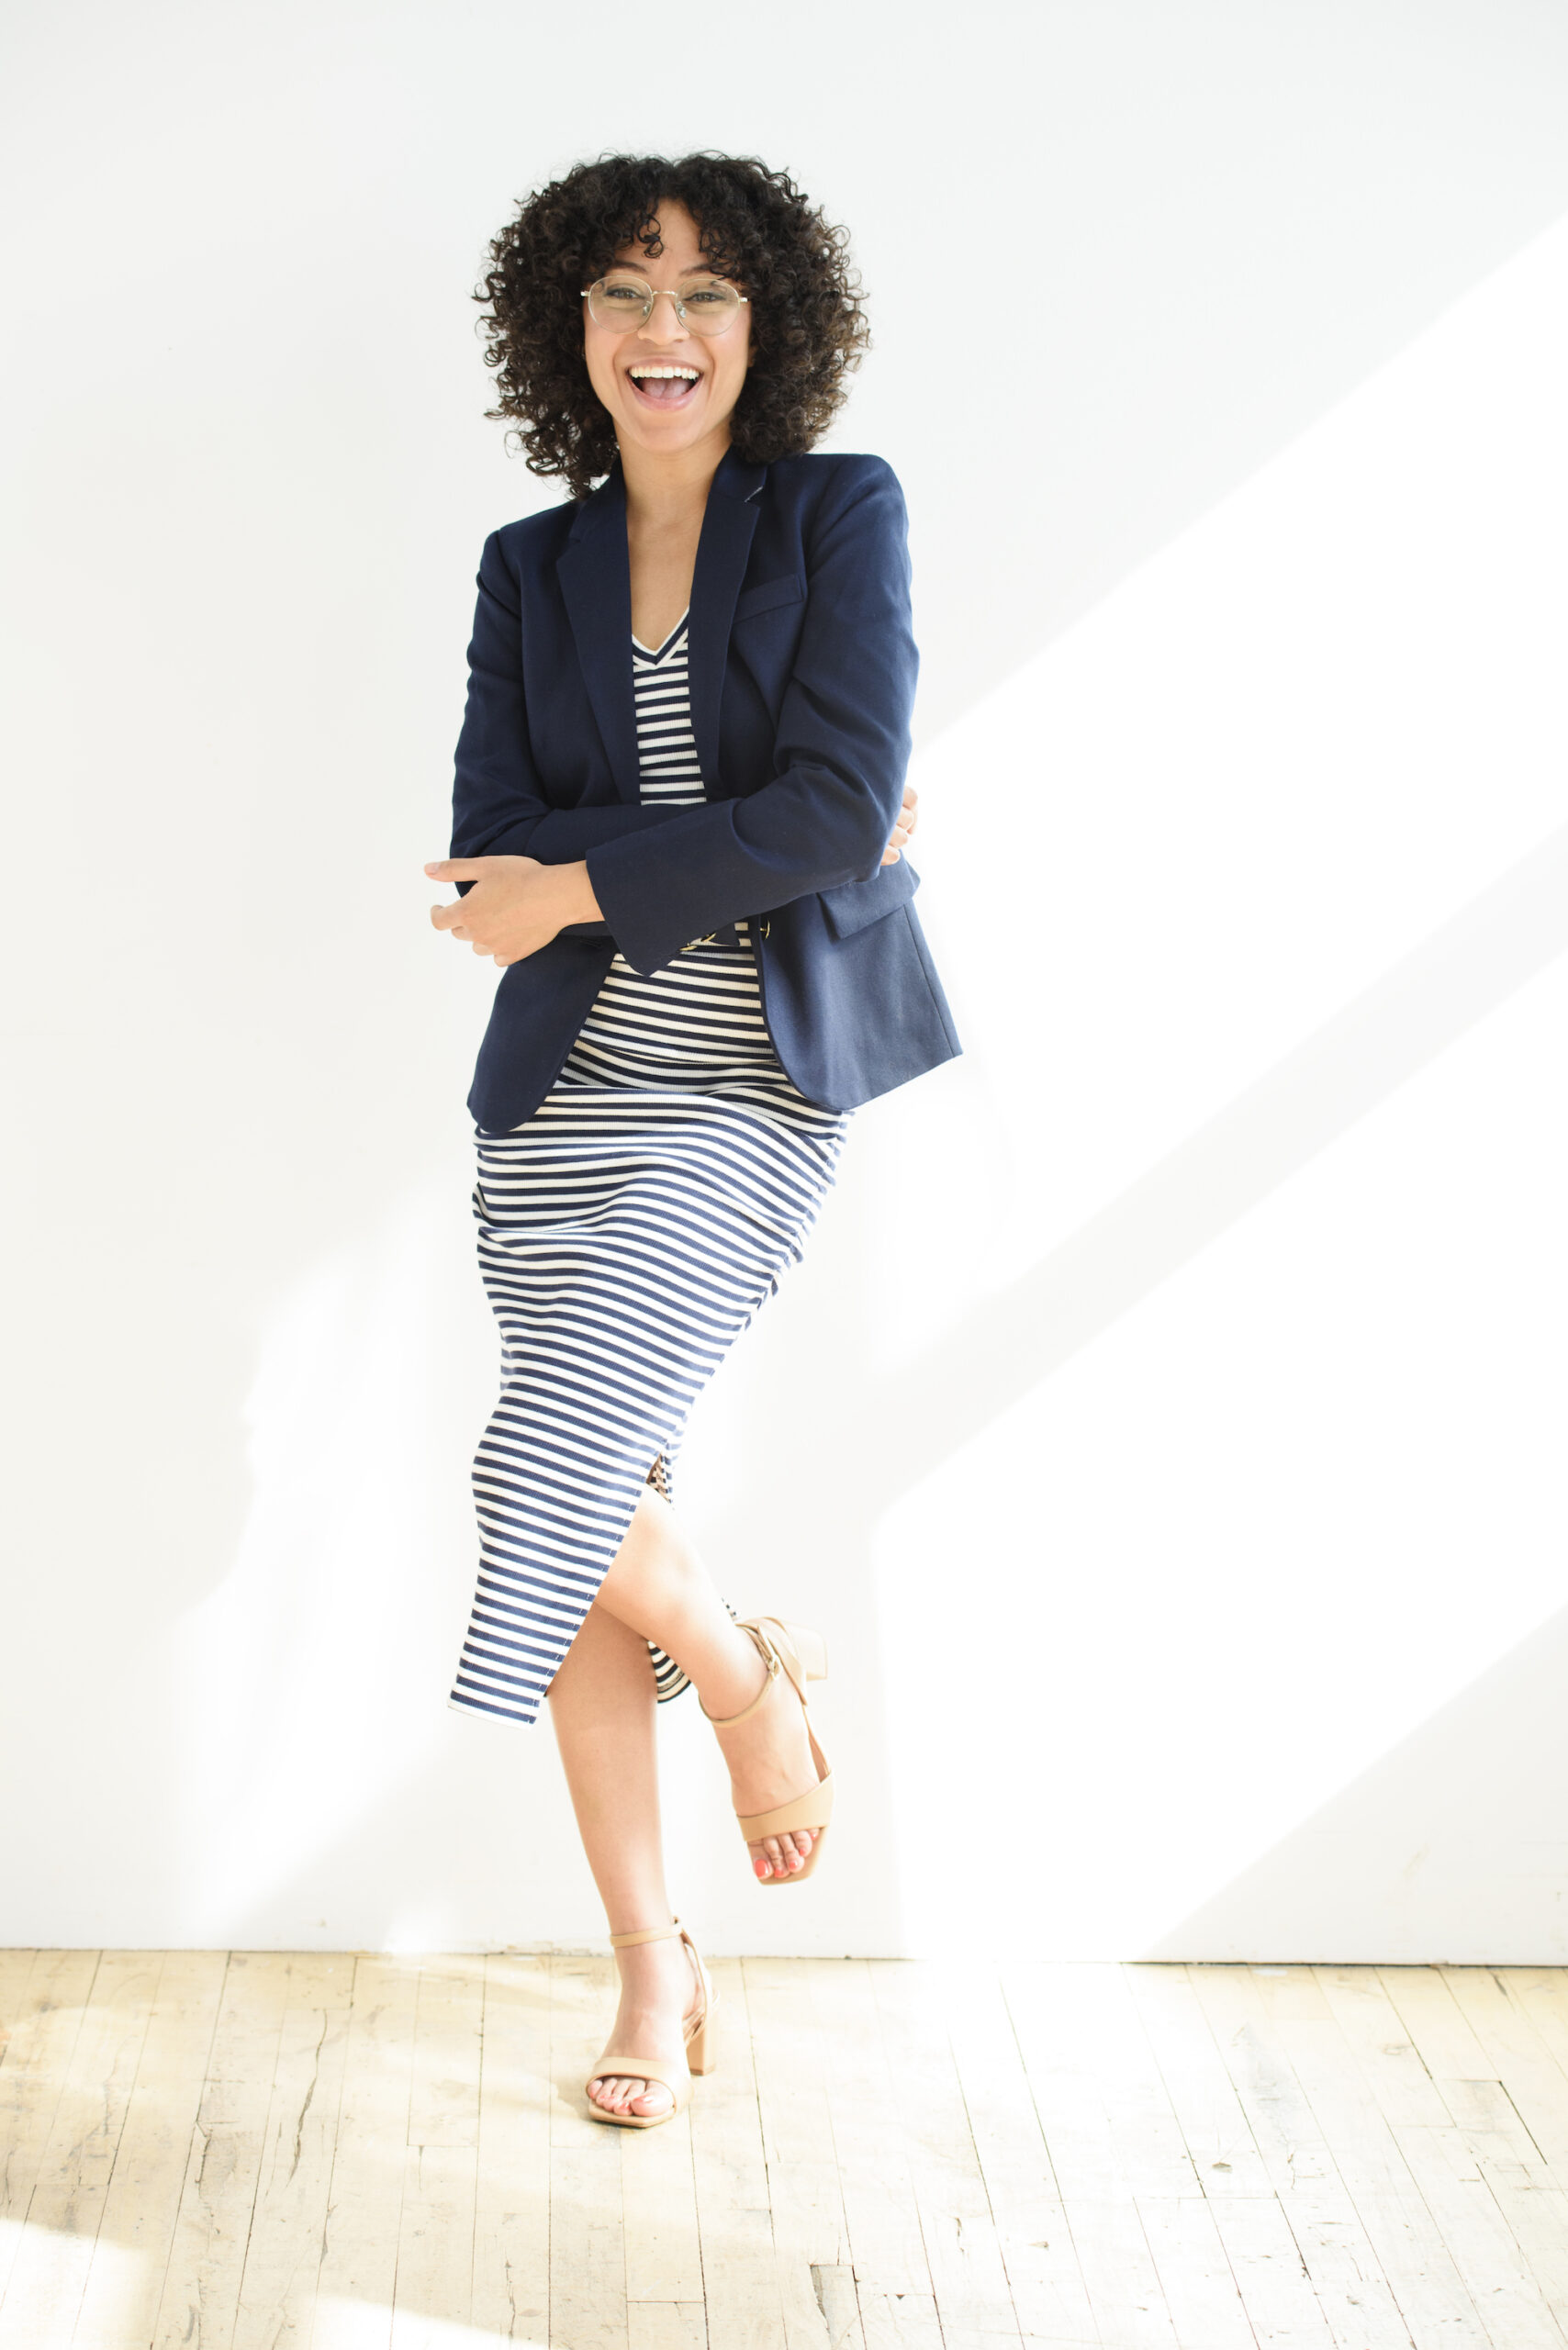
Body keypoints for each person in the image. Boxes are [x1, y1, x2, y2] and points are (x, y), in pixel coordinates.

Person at [423, 152, 959, 2127]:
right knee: (584, 1526)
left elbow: (832, 809)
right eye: (625, 292)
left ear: (765, 325)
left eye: (707, 291)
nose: (665, 329)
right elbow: (485, 846)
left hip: (746, 1089)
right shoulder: (528, 565)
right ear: (566, 327)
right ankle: (653, 1959)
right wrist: (754, 836)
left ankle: (744, 1687)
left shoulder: (836, 514)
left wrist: (586, 879)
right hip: (559, 1105)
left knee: (533, 1469)